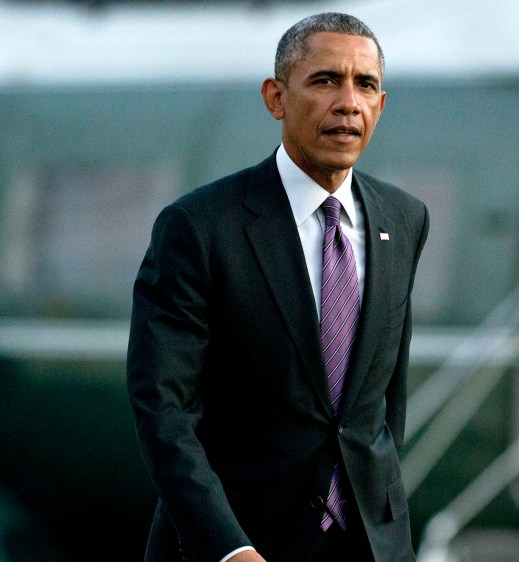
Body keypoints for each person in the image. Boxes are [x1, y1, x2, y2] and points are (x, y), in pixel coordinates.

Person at [126, 12, 429, 562]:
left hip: (371, 547)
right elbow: (164, 410)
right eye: (325, 80)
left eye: (365, 85)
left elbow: (384, 404)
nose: (348, 103)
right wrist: (230, 549)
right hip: (235, 546)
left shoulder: (404, 218)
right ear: (276, 98)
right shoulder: (199, 227)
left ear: (381, 105)